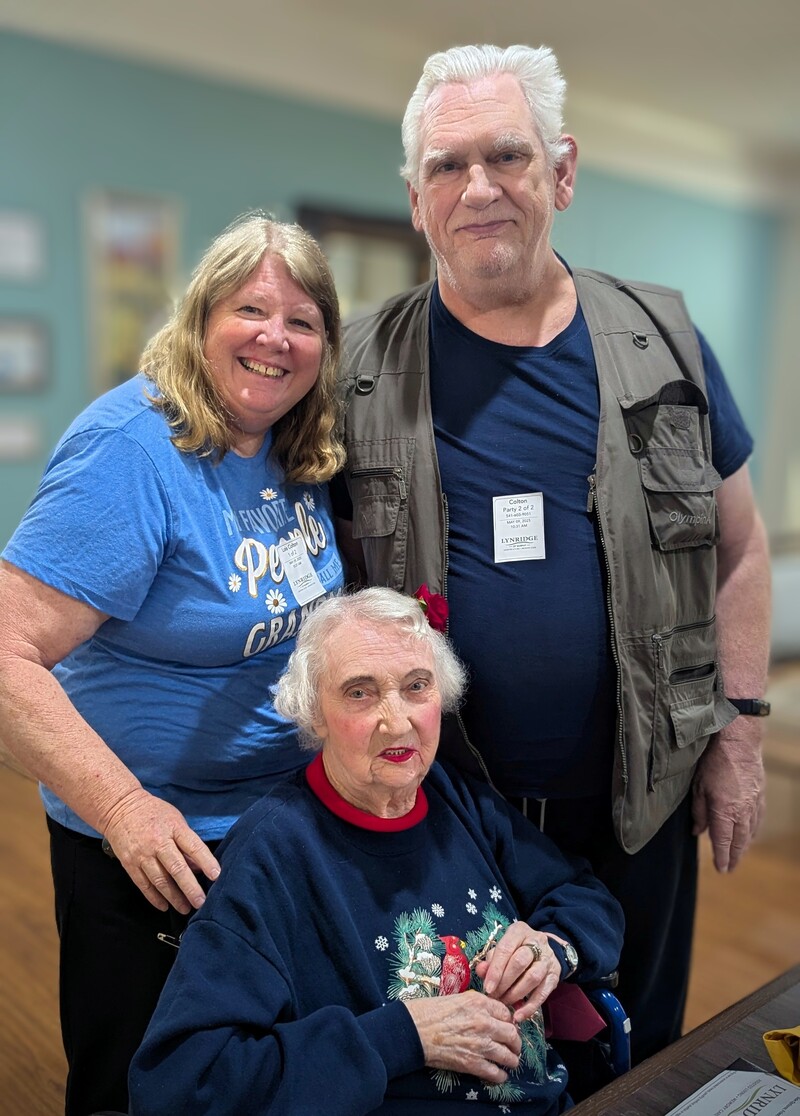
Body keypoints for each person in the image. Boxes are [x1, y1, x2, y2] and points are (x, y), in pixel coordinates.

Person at [333, 44, 772, 1065]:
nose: (477, 187)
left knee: (637, 1048)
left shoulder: (660, 341)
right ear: (413, 200)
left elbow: (740, 552)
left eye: (506, 157)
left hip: (640, 801)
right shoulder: (356, 369)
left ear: (560, 172)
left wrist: (738, 736)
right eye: (446, 166)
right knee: (485, 1060)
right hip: (449, 810)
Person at [0, 213, 346, 1115]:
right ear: (201, 320)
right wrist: (123, 810)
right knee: (140, 1090)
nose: (276, 337)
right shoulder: (134, 448)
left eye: (304, 321)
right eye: (251, 310)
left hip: (276, 833)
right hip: (149, 851)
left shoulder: (298, 447)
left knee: (258, 1078)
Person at [128, 587, 624, 1115]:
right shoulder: (270, 855)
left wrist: (553, 947)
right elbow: (181, 1086)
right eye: (360, 693)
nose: (397, 721)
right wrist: (401, 1036)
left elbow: (585, 899)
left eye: (416, 686)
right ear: (314, 713)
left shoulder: (453, 797)